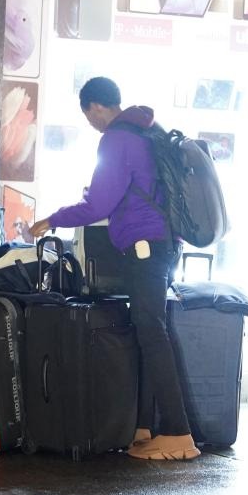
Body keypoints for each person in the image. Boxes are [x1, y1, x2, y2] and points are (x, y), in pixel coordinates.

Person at [29, 77, 200, 461]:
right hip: (163, 244)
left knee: (152, 333)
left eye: (89, 116)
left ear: (95, 107)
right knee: (147, 330)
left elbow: (99, 206)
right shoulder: (147, 131)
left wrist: (53, 218)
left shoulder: (116, 139)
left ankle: (177, 433)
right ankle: (145, 427)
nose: (92, 123)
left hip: (144, 249)